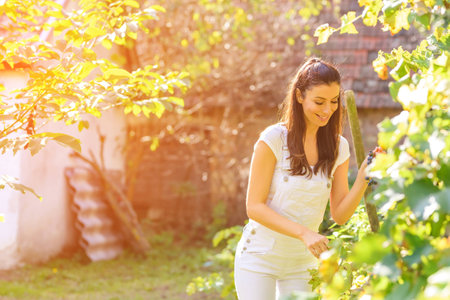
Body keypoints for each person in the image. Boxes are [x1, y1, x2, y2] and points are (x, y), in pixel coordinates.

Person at [234, 57, 378, 300]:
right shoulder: (274, 139)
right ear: (300, 96)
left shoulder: (338, 147)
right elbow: (254, 208)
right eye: (319, 102)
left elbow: (340, 215)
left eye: (334, 102)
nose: (327, 110)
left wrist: (363, 176)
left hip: (303, 263)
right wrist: (305, 233)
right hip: (260, 258)